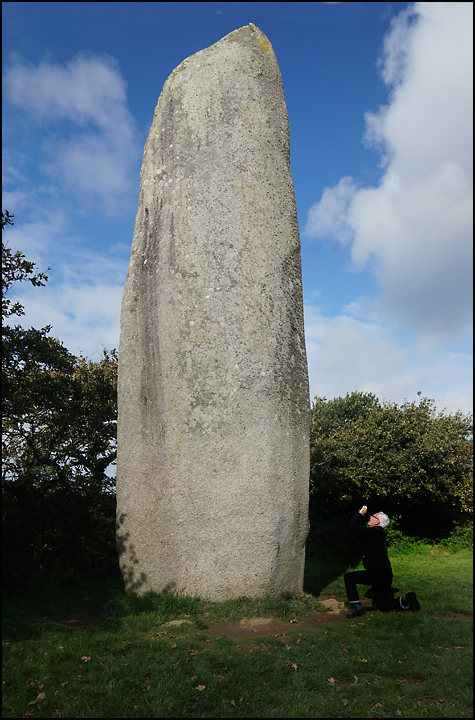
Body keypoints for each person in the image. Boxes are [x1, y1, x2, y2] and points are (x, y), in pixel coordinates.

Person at [344, 505, 421, 618]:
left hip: (376, 574)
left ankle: (357, 608)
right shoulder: (377, 534)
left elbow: (352, 525)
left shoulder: (373, 533)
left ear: (377, 522)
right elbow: (359, 531)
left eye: (373, 516)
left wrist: (361, 514)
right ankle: (405, 599)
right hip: (385, 575)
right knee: (384, 607)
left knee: (349, 577)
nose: (370, 517)